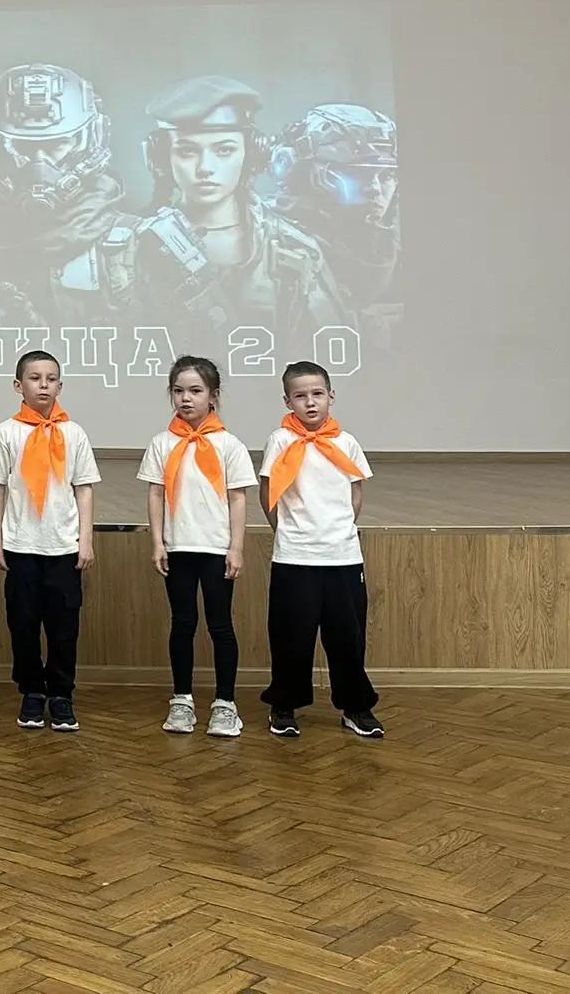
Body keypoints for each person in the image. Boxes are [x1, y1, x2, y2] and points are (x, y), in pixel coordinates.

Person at [103, 75, 348, 360]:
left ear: (251, 154)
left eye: (224, 150)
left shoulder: (294, 250)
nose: (205, 168)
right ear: (161, 158)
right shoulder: (128, 249)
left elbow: (336, 353)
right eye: (187, 151)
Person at [258, 360, 381, 739]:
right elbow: (268, 492)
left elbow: (355, 492)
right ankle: (284, 705)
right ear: (287, 401)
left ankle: (355, 706)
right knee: (291, 636)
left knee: (347, 637)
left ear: (331, 396)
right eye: (300, 396)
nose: (310, 402)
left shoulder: (347, 442)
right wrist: (286, 531)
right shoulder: (280, 440)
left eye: (317, 394)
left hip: (342, 556)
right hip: (295, 556)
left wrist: (338, 530)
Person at [0, 349, 99, 733]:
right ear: (19, 385)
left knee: (64, 626)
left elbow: (84, 488)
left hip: (64, 546)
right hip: (21, 545)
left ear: (60, 386)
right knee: (23, 623)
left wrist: (85, 539)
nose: (43, 385)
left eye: (50, 379)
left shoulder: (74, 433)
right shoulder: (6, 432)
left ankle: (62, 695)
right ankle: (32, 691)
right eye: (35, 378)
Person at [138, 355, 255, 739]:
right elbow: (156, 495)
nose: (186, 398)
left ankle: (225, 703)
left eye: (195, 391)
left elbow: (237, 499)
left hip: (217, 548)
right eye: (178, 391)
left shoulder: (229, 445)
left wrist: (236, 548)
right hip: (178, 547)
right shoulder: (162, 443)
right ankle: (182, 699)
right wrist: (158, 541)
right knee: (183, 623)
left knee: (220, 625)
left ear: (213, 396)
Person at [0, 63, 126, 323]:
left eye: (58, 144)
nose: (39, 164)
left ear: (90, 145)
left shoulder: (139, 248)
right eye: (21, 146)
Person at [270, 103, 401, 350]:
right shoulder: (269, 242)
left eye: (386, 176)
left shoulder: (388, 251)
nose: (374, 188)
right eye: (357, 173)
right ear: (299, 171)